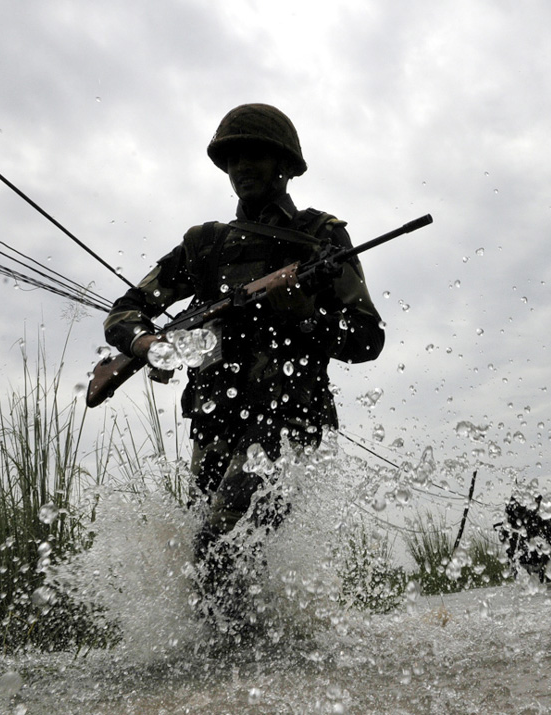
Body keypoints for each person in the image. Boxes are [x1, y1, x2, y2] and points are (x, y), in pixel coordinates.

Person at [103, 104, 385, 609]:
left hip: (289, 420)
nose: (241, 168)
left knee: (219, 540)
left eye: (254, 155)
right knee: (210, 560)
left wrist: (303, 315)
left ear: (284, 164)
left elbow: (367, 340)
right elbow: (125, 312)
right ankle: (246, 663)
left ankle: (242, 672)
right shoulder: (204, 245)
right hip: (214, 424)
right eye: (232, 158)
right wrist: (150, 345)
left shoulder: (322, 237)